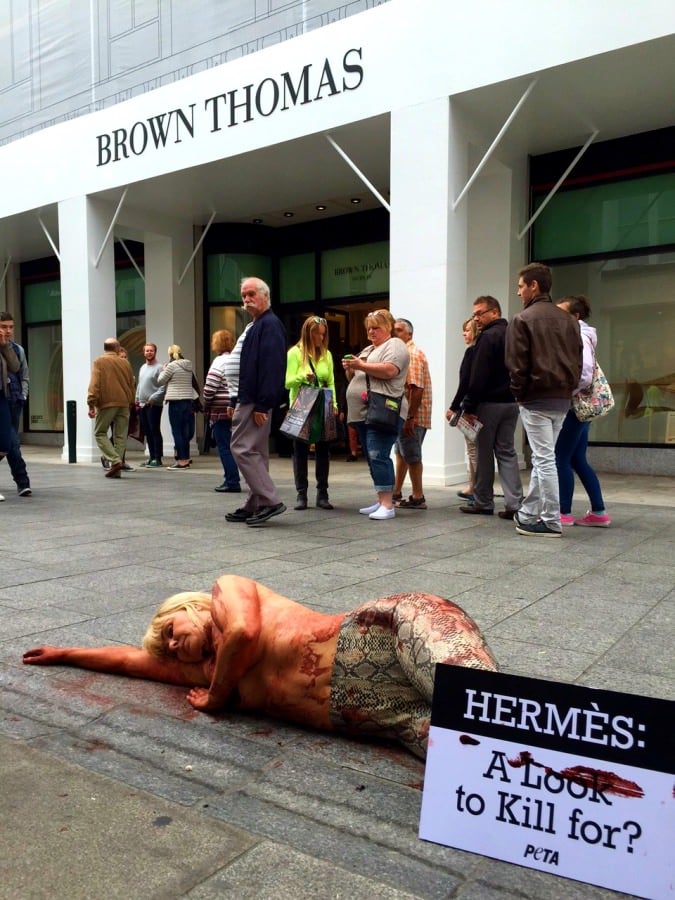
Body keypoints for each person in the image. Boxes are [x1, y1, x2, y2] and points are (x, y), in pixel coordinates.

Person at [22, 574, 498, 760]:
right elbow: (130, 660)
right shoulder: (201, 671)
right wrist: (65, 654)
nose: (174, 645)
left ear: (187, 607)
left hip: (383, 634)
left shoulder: (226, 592)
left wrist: (216, 696)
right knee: (482, 761)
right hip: (372, 714)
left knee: (478, 700)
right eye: (168, 647)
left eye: (170, 630)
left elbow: (245, 634)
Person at [505, 263, 582, 537]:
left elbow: (516, 364)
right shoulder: (570, 321)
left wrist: (519, 394)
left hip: (536, 398)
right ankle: (528, 512)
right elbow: (578, 361)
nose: (518, 292)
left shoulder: (523, 319)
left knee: (544, 459)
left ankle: (551, 520)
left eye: (521, 286)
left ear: (533, 286)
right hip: (561, 398)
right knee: (543, 458)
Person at [224, 277, 287, 527]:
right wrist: (233, 396)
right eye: (243, 295)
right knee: (256, 453)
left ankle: (270, 500)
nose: (246, 299)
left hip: (254, 399)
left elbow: (272, 367)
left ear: (265, 296)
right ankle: (255, 503)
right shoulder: (257, 323)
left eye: (251, 294)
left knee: (241, 448)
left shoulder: (269, 324)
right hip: (247, 396)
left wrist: (263, 404)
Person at [457, 296, 522, 519]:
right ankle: (514, 504)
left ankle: (483, 501)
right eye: (475, 314)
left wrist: (469, 405)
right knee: (507, 452)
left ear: (495, 312)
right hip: (511, 403)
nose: (477, 319)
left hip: (489, 404)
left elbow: (478, 375)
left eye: (480, 313)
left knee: (484, 453)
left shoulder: (488, 337)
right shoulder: (514, 332)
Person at [343, 309, 409, 520]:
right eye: (369, 328)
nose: (371, 331)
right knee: (372, 458)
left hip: (383, 410)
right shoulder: (369, 348)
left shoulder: (395, 345)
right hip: (364, 412)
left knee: (378, 454)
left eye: (376, 327)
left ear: (388, 327)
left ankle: (388, 504)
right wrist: (350, 368)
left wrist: (360, 364)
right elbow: (358, 376)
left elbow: (390, 370)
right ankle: (382, 500)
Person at [555, 295, 611, 527]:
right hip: (583, 408)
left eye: (561, 313)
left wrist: (567, 392)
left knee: (560, 458)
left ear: (575, 316)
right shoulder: (583, 334)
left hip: (576, 406)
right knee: (577, 459)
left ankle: (563, 512)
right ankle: (598, 513)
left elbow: (585, 373)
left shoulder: (578, 335)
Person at [285, 315, 337, 510]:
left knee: (324, 450)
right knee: (300, 451)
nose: (321, 339)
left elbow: (330, 381)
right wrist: (301, 376)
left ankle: (322, 493)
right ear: (308, 334)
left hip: (323, 403)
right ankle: (302, 494)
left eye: (323, 335)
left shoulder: (327, 354)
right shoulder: (295, 353)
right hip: (301, 403)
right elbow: (287, 382)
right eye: (317, 335)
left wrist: (335, 404)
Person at [392, 318, 432, 510]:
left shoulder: (411, 354)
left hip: (412, 417)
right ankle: (396, 491)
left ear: (409, 334)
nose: (395, 334)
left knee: (412, 456)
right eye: (393, 330)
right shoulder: (405, 353)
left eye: (399, 330)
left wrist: (409, 418)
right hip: (407, 416)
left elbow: (415, 389)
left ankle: (418, 497)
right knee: (402, 454)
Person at [87, 338, 136, 479]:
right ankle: (117, 469)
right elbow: (131, 383)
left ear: (105, 348)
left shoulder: (99, 362)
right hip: (124, 403)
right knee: (120, 436)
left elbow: (94, 384)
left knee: (99, 432)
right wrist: (131, 401)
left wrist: (91, 403)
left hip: (107, 403)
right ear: (117, 348)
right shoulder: (125, 362)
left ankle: (115, 461)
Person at [203, 329, 241, 493]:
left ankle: (232, 481)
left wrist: (206, 403)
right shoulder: (236, 359)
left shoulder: (219, 362)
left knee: (224, 446)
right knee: (233, 445)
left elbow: (210, 387)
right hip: (236, 407)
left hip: (221, 409)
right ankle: (233, 478)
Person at [446, 318, 479, 501]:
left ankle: (474, 487)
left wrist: (454, 406)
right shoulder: (482, 352)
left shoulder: (471, 352)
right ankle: (475, 486)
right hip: (485, 406)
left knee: (473, 449)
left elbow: (465, 383)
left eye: (467, 330)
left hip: (471, 408)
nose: (463, 334)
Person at [0, 312, 31, 496]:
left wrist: (24, 395)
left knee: (6, 444)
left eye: (11, 327)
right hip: (2, 400)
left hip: (14, 401)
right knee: (11, 442)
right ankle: (22, 480)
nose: (8, 330)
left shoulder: (17, 349)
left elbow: (20, 371)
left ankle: (22, 481)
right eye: (4, 327)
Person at [156, 344, 197, 470]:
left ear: (170, 354)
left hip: (175, 401)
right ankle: (186, 458)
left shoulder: (171, 366)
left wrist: (164, 369)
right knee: (185, 431)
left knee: (177, 431)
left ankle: (181, 461)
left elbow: (160, 381)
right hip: (187, 400)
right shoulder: (188, 364)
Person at [136, 342, 166, 468]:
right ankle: (151, 456)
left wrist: (153, 398)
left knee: (155, 430)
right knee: (147, 431)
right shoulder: (142, 367)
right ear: (143, 352)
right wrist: (136, 398)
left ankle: (158, 458)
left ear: (155, 352)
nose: (149, 352)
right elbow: (140, 384)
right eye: (147, 350)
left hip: (154, 405)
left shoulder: (159, 368)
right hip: (142, 405)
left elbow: (164, 386)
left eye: (151, 350)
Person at [0, 326, 20, 502]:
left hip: (2, 397)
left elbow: (15, 366)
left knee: (5, 443)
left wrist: (4, 346)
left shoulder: (6, 347)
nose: (5, 331)